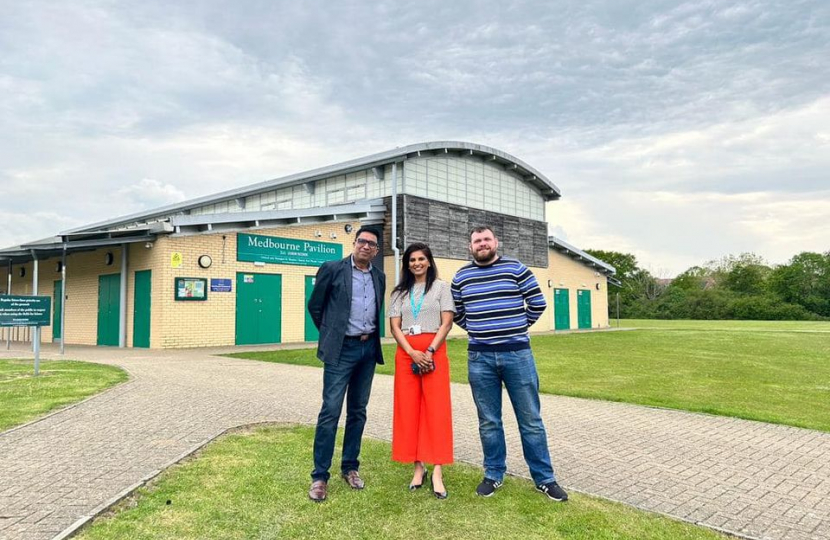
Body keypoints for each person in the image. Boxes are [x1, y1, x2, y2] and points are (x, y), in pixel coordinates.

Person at [451, 226, 568, 502]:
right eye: (477, 241)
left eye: (486, 239)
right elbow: (457, 312)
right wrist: (478, 329)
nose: (482, 244)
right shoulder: (461, 277)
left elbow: (537, 303)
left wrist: (516, 327)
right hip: (480, 358)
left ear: (496, 242)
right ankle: (493, 473)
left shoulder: (516, 269)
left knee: (530, 420)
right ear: (470, 247)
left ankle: (544, 478)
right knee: (488, 421)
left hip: (517, 355)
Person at [306, 226, 386, 502]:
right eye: (362, 241)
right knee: (330, 411)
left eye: (371, 244)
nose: (366, 246)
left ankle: (350, 467)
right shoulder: (332, 269)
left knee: (358, 411)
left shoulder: (379, 276)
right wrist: (332, 333)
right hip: (341, 350)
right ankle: (320, 476)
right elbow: (315, 306)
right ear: (354, 243)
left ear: (376, 250)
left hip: (368, 349)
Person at [388, 243, 455, 499]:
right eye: (412, 260)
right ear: (407, 264)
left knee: (436, 410)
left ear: (429, 262)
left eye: (421, 259)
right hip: (407, 354)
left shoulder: (442, 288)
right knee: (409, 410)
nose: (416, 263)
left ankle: (437, 470)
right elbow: (395, 327)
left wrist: (428, 351)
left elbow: (446, 323)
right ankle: (418, 467)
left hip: (433, 353)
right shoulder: (399, 293)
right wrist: (412, 353)